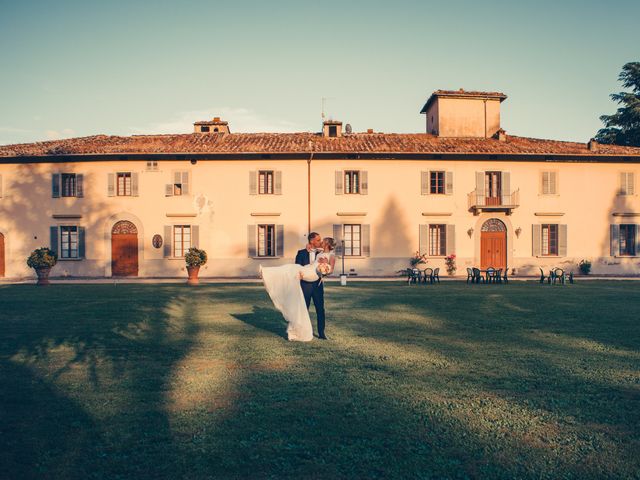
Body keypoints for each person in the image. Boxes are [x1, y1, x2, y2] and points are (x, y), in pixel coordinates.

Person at [260, 234, 335, 341]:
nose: (320, 242)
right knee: (302, 308)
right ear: (312, 241)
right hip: (305, 285)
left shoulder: (321, 252)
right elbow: (297, 267)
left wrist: (324, 270)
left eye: (321, 241)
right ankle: (299, 331)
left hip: (317, 285)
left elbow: (329, 267)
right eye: (318, 240)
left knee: (320, 309)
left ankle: (322, 333)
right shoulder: (301, 253)